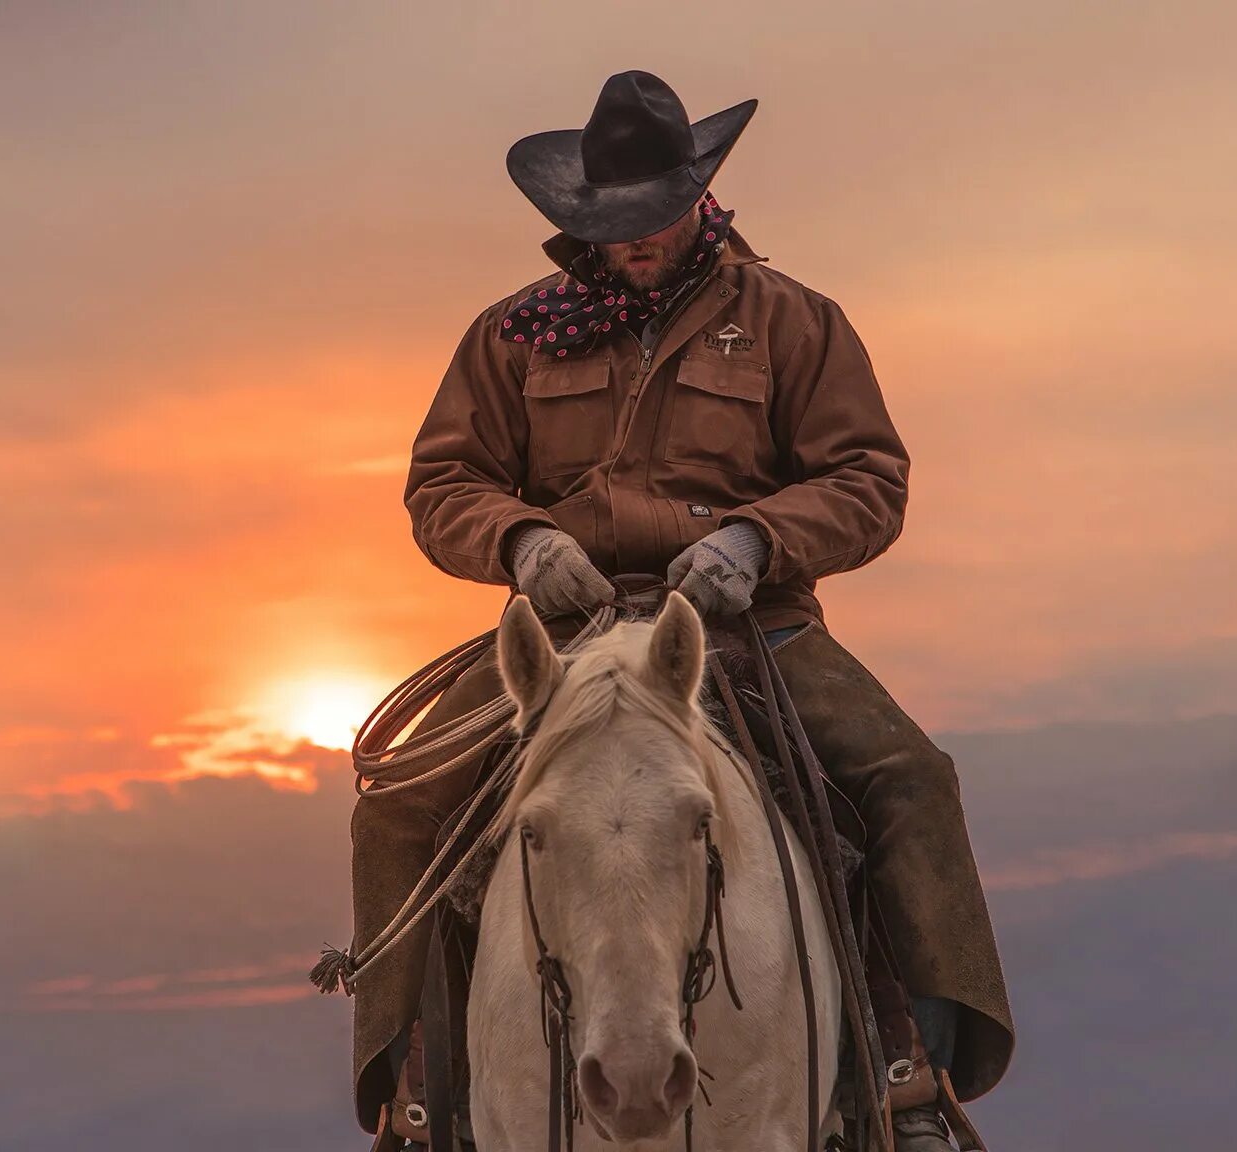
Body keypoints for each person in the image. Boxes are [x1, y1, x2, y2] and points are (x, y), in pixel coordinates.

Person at [350, 70, 1013, 1151]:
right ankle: (416, 1101)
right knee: (399, 803)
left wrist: (757, 540)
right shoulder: (513, 335)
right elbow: (442, 486)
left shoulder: (792, 322)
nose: (635, 239)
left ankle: (907, 1077)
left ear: (697, 196)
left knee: (903, 779)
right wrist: (522, 541)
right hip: (564, 635)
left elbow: (865, 476)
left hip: (753, 627)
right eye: (611, 222)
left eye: (652, 216)